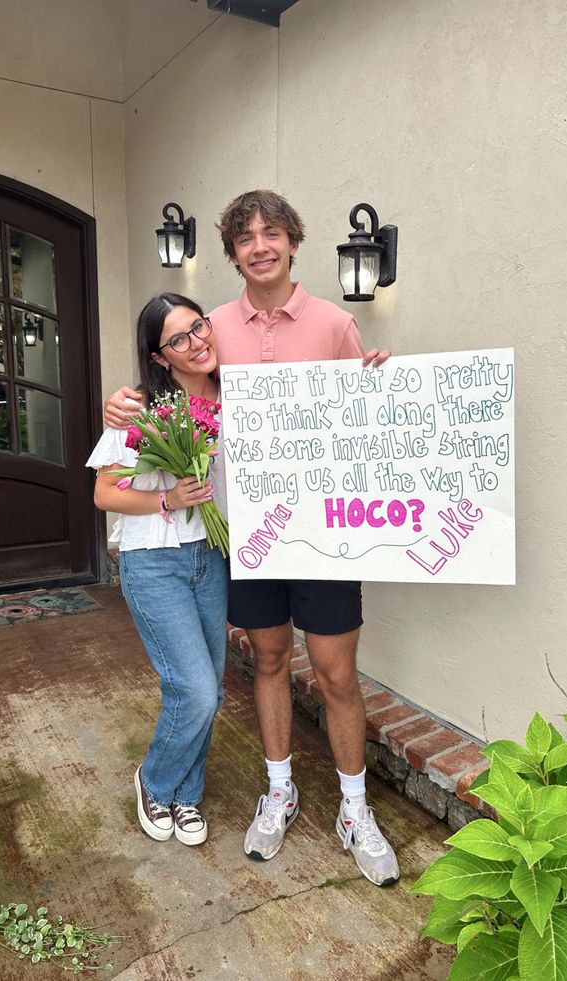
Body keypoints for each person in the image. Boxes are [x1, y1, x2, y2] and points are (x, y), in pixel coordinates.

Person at [104, 190, 399, 886]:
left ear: (294, 241)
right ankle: (279, 789)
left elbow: (368, 422)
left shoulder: (332, 324)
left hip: (325, 534)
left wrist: (390, 384)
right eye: (246, 236)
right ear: (233, 252)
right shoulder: (215, 329)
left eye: (273, 233)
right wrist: (119, 402)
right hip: (251, 538)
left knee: (335, 675)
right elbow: (169, 379)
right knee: (268, 662)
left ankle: (355, 809)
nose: (260, 245)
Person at [88, 292, 228, 847]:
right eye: (178, 339)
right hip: (154, 563)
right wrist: (168, 499)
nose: (196, 343)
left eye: (199, 327)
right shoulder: (140, 408)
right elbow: (104, 491)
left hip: (212, 557)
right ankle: (155, 779)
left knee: (212, 687)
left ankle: (187, 795)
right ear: (159, 355)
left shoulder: (235, 394)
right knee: (191, 687)